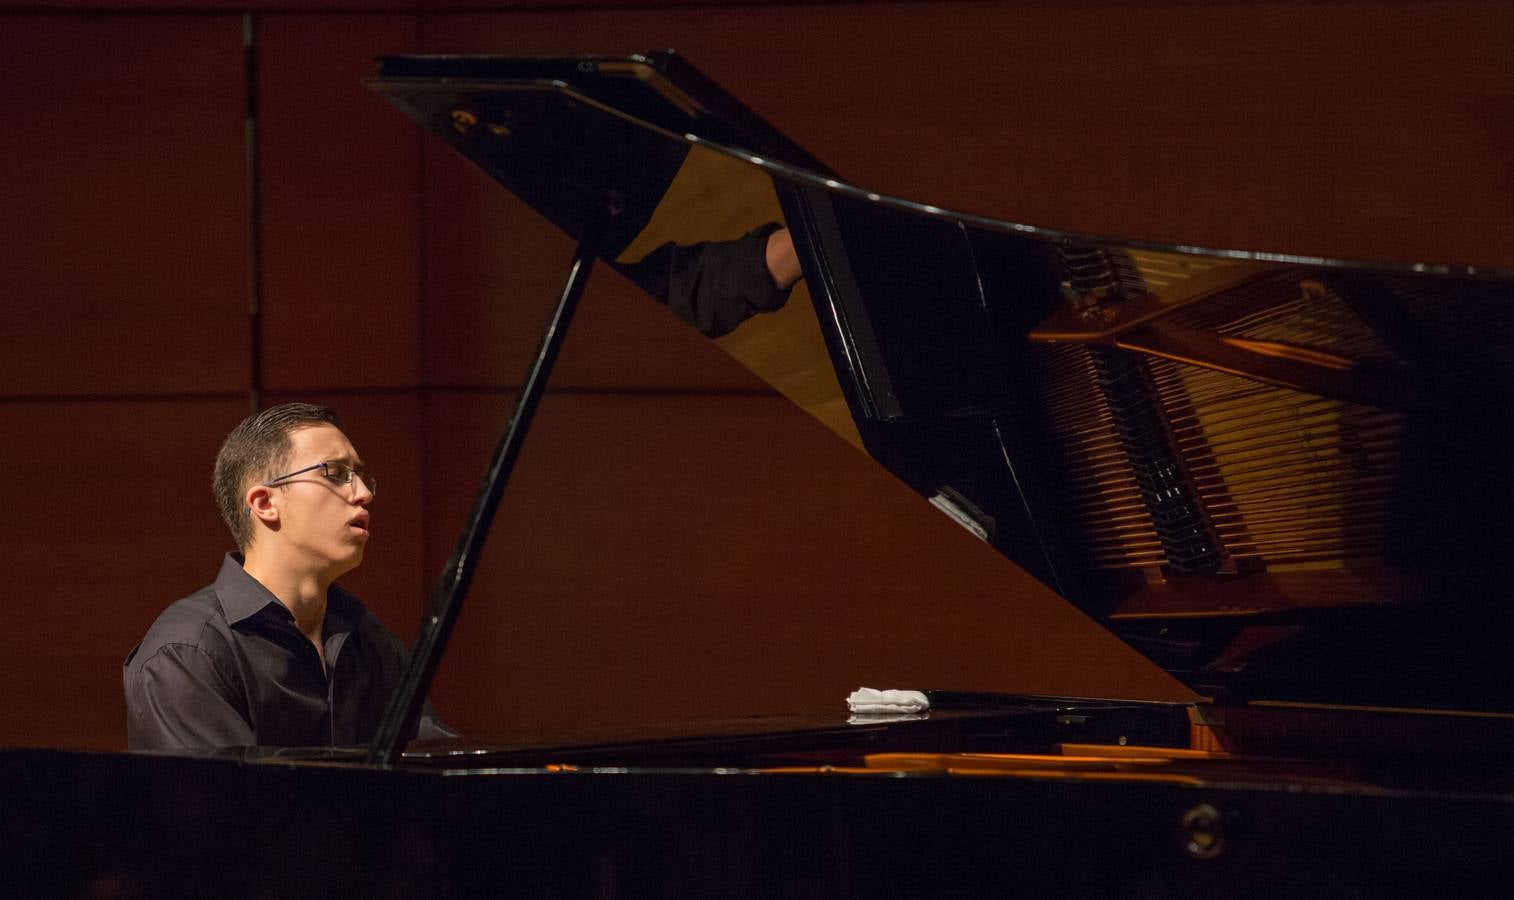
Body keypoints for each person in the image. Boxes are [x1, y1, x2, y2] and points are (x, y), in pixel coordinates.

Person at [124, 403, 450, 751]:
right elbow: (222, 801)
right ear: (264, 503)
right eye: (336, 473)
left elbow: (440, 770)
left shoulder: (370, 641)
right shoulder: (189, 651)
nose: (363, 493)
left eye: (359, 475)